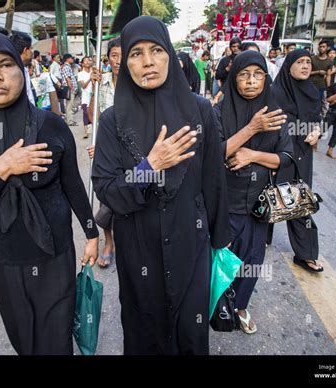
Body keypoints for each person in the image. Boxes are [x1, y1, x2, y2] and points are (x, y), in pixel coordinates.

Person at [0, 30, 99, 355]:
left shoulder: (51, 125)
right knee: (26, 343)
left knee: (55, 343)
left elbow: (72, 184)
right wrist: (3, 167)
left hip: (56, 256)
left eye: (5, 64)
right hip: (4, 262)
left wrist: (92, 233)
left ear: (21, 71)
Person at [92, 16, 230, 354]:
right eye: (136, 53)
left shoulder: (200, 112)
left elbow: (214, 182)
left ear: (170, 53)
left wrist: (220, 243)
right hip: (138, 247)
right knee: (145, 329)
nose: (148, 62)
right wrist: (150, 166)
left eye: (156, 50)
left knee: (189, 332)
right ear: (125, 63)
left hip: (191, 243)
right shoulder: (112, 121)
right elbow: (107, 188)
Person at [214, 50, 292, 334]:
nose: (250, 81)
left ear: (265, 78)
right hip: (225, 201)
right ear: (233, 79)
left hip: (260, 204)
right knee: (221, 258)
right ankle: (216, 302)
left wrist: (251, 155)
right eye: (244, 75)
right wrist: (251, 128)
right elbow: (215, 152)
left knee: (253, 261)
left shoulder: (275, 112)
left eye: (257, 75)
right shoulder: (218, 111)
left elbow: (286, 158)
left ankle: (240, 306)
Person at [271, 49, 323, 273]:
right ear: (288, 66)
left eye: (308, 62)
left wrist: (317, 131)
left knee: (300, 200)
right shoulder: (274, 92)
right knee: (265, 197)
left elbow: (316, 118)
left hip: (302, 153)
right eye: (300, 62)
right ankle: (256, 240)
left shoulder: (312, 91)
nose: (305, 66)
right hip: (276, 153)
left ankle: (305, 254)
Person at [87, 38, 121, 268]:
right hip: (106, 149)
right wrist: (93, 88)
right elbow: (92, 116)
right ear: (108, 58)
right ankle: (108, 242)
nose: (118, 61)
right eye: (114, 55)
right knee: (105, 197)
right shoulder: (103, 82)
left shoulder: (138, 82)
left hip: (132, 152)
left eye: (123, 55)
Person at [10, 32, 36, 106]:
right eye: (31, 49)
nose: (32, 52)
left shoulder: (23, 68)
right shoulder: (15, 71)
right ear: (25, 51)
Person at [77, 56, 93, 139]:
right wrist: (90, 78)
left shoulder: (93, 71)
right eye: (85, 61)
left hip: (94, 96)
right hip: (86, 97)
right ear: (82, 64)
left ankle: (94, 129)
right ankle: (86, 131)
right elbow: (83, 86)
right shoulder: (80, 74)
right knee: (86, 113)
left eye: (89, 60)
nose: (88, 62)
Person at [61, 53, 78, 127]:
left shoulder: (68, 67)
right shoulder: (66, 67)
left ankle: (70, 120)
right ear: (67, 59)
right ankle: (70, 121)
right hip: (70, 89)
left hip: (71, 88)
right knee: (69, 105)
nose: (72, 59)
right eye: (71, 58)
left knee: (71, 105)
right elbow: (68, 79)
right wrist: (71, 88)